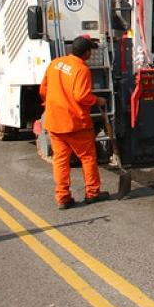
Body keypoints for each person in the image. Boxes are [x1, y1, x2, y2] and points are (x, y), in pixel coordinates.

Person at [40, 35, 109, 209]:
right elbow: (81, 96)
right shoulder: (81, 69)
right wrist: (97, 100)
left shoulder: (55, 63)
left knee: (60, 161)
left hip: (54, 121)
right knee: (87, 158)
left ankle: (63, 198)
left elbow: (43, 90)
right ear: (86, 53)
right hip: (75, 123)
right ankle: (92, 193)